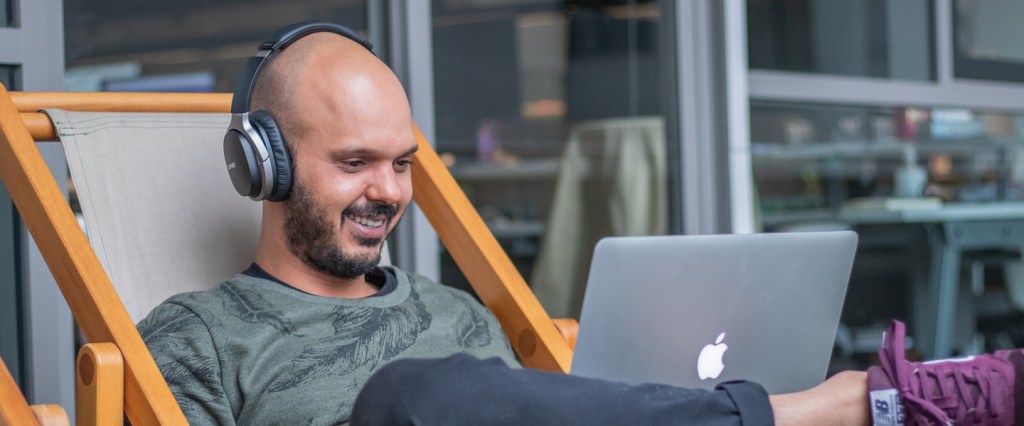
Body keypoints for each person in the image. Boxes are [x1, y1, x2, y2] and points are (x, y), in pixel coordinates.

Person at [137, 22, 1022, 426]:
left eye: (403, 164)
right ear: (266, 165)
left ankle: (916, 398)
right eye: (355, 162)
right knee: (420, 396)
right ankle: (845, 405)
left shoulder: (457, 316)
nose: (389, 191)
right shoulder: (197, 341)